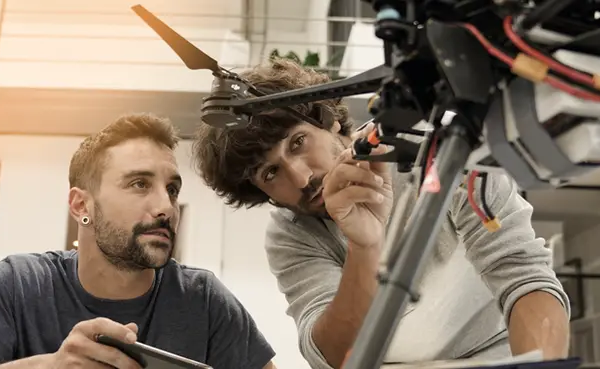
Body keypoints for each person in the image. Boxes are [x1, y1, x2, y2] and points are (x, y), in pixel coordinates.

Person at [192, 59, 570, 369]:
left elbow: (523, 274)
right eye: (270, 173)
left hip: (500, 355)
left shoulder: (436, 148)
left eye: (298, 142)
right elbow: (334, 358)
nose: (303, 177)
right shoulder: (291, 234)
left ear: (330, 119)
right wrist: (364, 245)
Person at [0, 113, 277, 369]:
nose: (166, 207)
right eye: (139, 184)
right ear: (81, 205)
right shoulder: (23, 283)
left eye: (172, 189)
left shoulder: (203, 299)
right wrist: (52, 366)